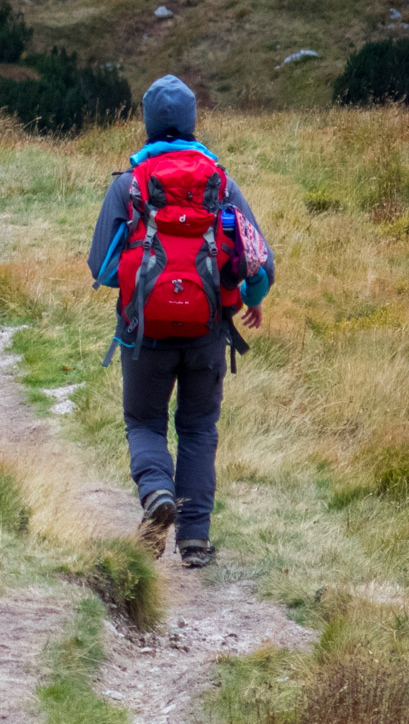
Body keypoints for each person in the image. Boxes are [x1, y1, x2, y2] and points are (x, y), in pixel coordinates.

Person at [87, 75, 276, 568]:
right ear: (194, 121)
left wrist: (143, 280)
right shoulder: (221, 183)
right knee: (197, 428)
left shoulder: (129, 186)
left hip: (143, 333)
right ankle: (194, 540)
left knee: (144, 420)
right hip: (209, 331)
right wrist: (252, 297)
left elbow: (101, 270)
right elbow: (261, 262)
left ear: (147, 123)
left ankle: (156, 494)